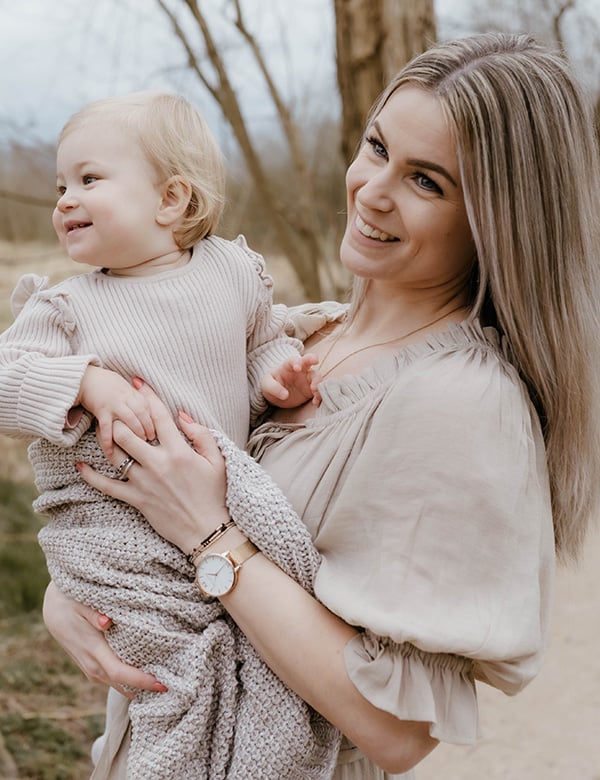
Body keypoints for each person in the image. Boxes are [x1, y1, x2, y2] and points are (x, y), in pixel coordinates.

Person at [42, 31, 600, 780]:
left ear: (497, 220)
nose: (372, 190)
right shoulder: (300, 335)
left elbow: (398, 732)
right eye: (376, 148)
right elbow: (146, 520)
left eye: (427, 181)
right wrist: (70, 596)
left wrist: (210, 535)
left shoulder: (461, 404)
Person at [0, 91, 339, 778]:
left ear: (172, 199)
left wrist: (281, 380)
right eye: (63, 184)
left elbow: (262, 345)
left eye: (89, 179)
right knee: (170, 684)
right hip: (125, 540)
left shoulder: (232, 273)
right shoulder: (67, 306)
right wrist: (87, 380)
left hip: (215, 513)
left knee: (255, 664)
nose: (65, 198)